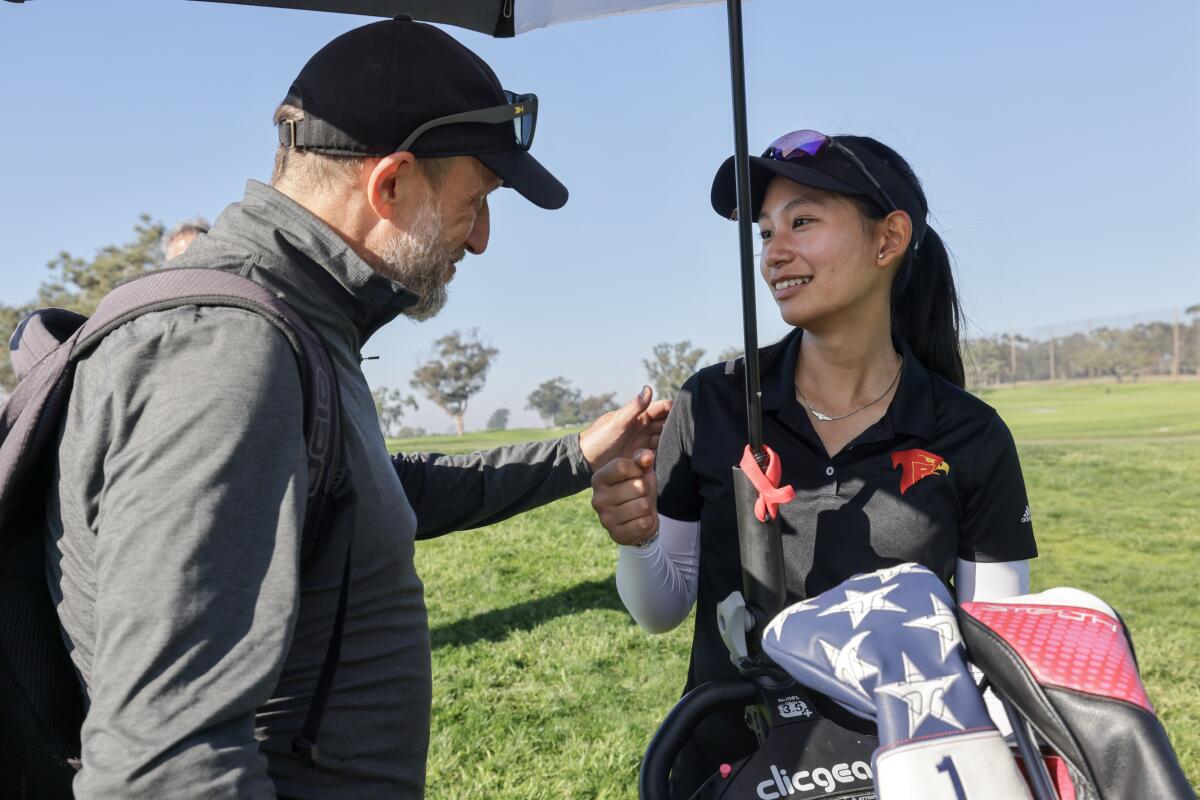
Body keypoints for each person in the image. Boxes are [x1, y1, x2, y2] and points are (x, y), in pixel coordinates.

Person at [46, 19, 668, 799]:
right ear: (392, 184)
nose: (479, 239)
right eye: (475, 200)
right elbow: (165, 761)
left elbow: (370, 495)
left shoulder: (301, 320)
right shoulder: (230, 354)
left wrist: (576, 453)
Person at [589, 130, 1038, 796]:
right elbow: (659, 610)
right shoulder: (711, 402)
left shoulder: (971, 435)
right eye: (765, 233)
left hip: (904, 774)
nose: (774, 252)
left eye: (802, 221)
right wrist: (640, 538)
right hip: (726, 773)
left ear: (888, 240)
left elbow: (1002, 657)